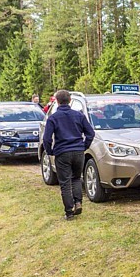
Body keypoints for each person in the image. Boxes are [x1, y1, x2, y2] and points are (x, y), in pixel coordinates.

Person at [42, 90, 96, 220]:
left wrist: (50, 151)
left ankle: (69, 212)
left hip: (62, 152)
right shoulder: (78, 115)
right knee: (76, 178)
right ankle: (78, 202)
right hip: (78, 151)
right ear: (70, 100)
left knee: (65, 183)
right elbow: (90, 133)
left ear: (57, 101)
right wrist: (84, 146)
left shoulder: (53, 118)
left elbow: (47, 139)